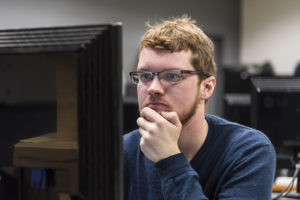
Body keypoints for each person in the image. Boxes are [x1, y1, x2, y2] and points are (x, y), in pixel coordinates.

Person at [123, 15, 276, 200]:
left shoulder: (248, 151)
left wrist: (169, 160)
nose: (154, 88)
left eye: (172, 76)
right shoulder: (124, 150)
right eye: (145, 76)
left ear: (207, 87)